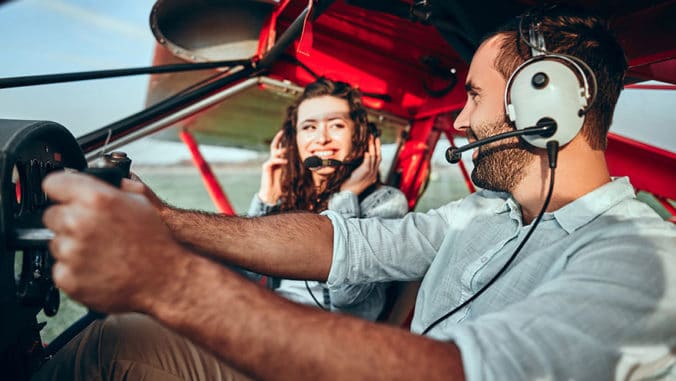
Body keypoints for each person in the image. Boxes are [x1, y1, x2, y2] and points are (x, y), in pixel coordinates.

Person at [34, 5, 676, 381]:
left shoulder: (645, 259)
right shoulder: (481, 216)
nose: (459, 120)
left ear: (548, 102)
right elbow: (349, 246)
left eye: (474, 97)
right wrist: (169, 221)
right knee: (122, 339)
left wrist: (170, 283)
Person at [244, 78, 408, 319]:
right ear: (293, 140)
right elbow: (246, 275)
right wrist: (265, 200)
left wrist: (346, 199)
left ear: (361, 136)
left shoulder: (386, 203)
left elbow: (348, 299)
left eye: (337, 125)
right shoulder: (285, 198)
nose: (321, 138)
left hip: (329, 338)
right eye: (309, 127)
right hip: (271, 321)